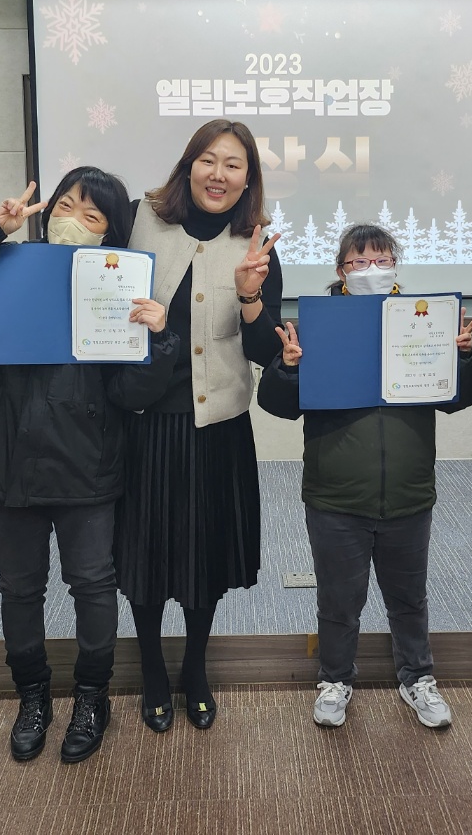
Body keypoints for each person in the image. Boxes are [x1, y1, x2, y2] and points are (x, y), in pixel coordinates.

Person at [0, 168, 178, 765]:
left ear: (110, 233)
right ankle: (32, 696)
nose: (73, 220)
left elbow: (134, 393)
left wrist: (157, 339)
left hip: (87, 462)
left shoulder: (117, 287)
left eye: (92, 214)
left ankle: (91, 696)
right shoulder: (3, 270)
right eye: (65, 206)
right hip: (8, 458)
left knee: (92, 582)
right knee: (20, 584)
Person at [257, 224, 472, 730]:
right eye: (359, 262)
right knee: (339, 599)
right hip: (336, 494)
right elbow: (278, 406)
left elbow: (459, 399)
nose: (371, 270)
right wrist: (288, 368)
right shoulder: (317, 326)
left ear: (396, 266)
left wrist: (466, 356)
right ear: (341, 271)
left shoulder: (423, 322)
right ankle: (335, 679)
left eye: (381, 260)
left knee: (409, 598)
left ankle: (417, 678)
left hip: (408, 489)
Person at [116, 118, 282, 732]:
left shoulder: (255, 244)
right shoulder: (141, 219)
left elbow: (264, 350)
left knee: (204, 555)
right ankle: (152, 670)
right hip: (147, 419)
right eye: (208, 160)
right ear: (189, 166)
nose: (219, 174)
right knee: (145, 555)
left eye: (234, 165)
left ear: (248, 178)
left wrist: (250, 297)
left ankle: (194, 668)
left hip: (218, 425)